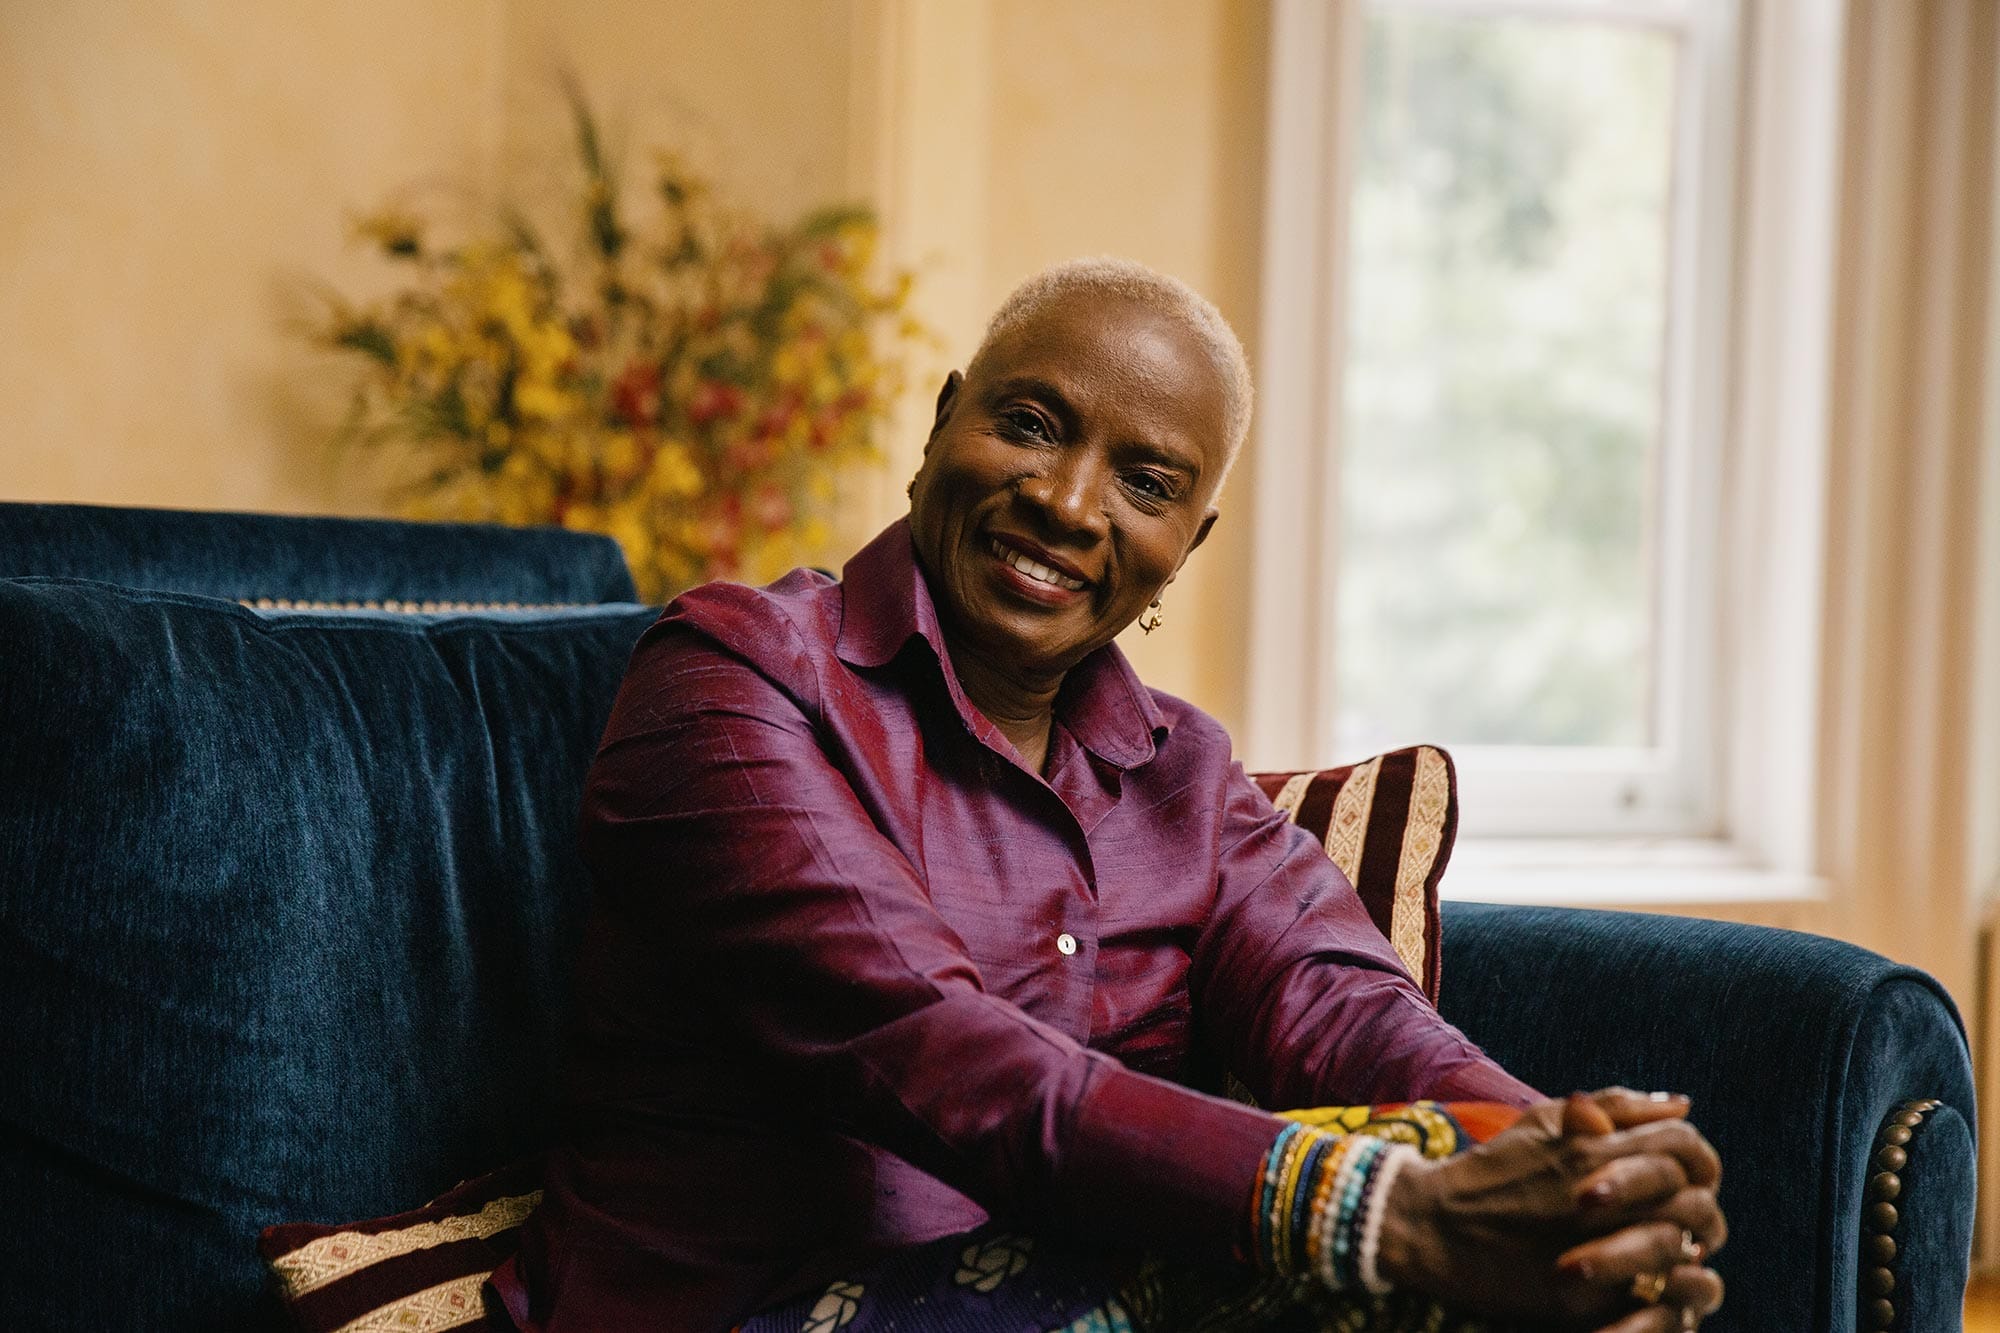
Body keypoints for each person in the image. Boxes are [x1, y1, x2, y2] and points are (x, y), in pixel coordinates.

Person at [488, 259, 1726, 1332]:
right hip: (737, 1305)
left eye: (1144, 484)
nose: (1068, 503)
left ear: (1184, 547)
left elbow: (1342, 1007)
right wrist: (1388, 1214)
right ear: (939, 423)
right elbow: (930, 1043)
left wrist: (1564, 1171)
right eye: (1029, 425)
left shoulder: (1181, 774)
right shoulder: (735, 678)